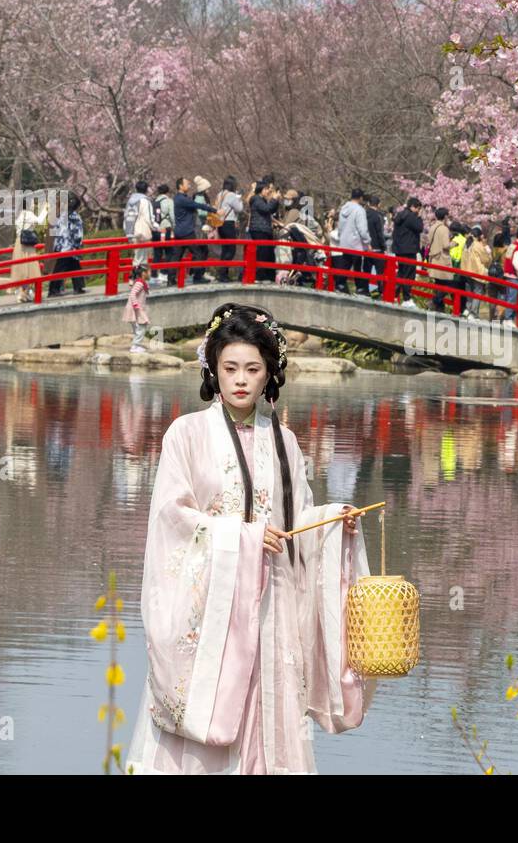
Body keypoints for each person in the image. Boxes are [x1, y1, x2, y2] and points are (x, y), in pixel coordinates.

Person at [125, 303, 372, 775]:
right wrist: (241, 540)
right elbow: (171, 523)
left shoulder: (285, 441)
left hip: (274, 611)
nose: (240, 380)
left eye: (253, 369)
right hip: (214, 613)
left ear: (269, 375)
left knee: (274, 722)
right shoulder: (186, 434)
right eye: (230, 368)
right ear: (212, 370)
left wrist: (332, 521)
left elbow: (296, 521)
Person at [173, 177, 216, 285]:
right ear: (180, 186)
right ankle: (197, 277)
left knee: (177, 256)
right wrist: (214, 210)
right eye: (187, 183)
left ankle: (170, 279)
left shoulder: (179, 198)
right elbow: (198, 205)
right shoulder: (182, 199)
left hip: (180, 231)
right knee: (198, 253)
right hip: (186, 231)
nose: (189, 185)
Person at [48, 194, 86, 297]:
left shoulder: (62, 215)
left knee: (74, 265)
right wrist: (78, 245)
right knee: (61, 268)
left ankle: (78, 287)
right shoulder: (75, 217)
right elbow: (77, 233)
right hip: (69, 246)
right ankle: (53, 290)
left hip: (60, 244)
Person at [336, 189, 371, 296]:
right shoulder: (359, 210)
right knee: (358, 266)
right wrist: (368, 241)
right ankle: (360, 288)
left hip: (344, 241)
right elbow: (362, 229)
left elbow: (340, 225)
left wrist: (340, 236)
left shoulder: (343, 208)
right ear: (361, 198)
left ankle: (340, 285)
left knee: (345, 264)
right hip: (356, 243)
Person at [390, 197, 425, 305]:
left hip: (399, 249)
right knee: (409, 274)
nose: (419, 211)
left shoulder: (400, 215)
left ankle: (394, 295)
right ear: (413, 207)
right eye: (418, 208)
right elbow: (420, 228)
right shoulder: (411, 217)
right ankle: (406, 298)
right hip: (409, 249)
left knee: (401, 272)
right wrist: (419, 217)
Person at [11, 198, 45, 303]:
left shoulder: (19, 215)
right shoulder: (29, 214)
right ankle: (27, 293)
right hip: (27, 245)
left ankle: (22, 293)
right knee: (30, 269)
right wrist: (45, 209)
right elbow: (40, 221)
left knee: (21, 269)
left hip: (18, 244)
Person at [247, 179, 279, 284]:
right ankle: (259, 276)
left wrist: (276, 201)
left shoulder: (262, 199)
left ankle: (268, 276)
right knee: (262, 253)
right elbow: (266, 209)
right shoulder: (256, 199)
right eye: (266, 189)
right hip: (259, 229)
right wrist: (274, 200)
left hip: (264, 229)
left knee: (268, 253)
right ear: (260, 190)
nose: (268, 191)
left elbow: (271, 210)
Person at [124, 181, 156, 272]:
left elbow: (126, 216)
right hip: (142, 232)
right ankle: (137, 279)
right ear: (146, 189)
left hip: (131, 231)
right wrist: (156, 228)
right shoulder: (145, 201)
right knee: (142, 258)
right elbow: (149, 218)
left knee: (137, 256)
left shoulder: (130, 201)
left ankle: (134, 279)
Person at [460, 225, 492, 319]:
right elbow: (486, 259)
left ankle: (467, 310)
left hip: (466, 271)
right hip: (477, 272)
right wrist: (487, 249)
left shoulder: (467, 244)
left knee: (469, 292)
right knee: (477, 293)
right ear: (479, 236)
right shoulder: (478, 245)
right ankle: (473, 314)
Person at [426, 207, 454, 312]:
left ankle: (439, 308)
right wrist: (454, 243)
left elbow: (429, 241)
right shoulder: (444, 228)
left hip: (434, 258)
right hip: (442, 259)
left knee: (438, 285)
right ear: (445, 216)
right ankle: (434, 301)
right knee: (448, 285)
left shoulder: (433, 227)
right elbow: (446, 245)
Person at [123, 264, 152, 353]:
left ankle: (136, 345)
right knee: (142, 326)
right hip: (135, 309)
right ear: (144, 273)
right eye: (149, 272)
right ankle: (135, 346)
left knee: (137, 328)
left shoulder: (140, 282)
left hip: (136, 309)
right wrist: (136, 305)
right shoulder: (139, 283)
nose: (151, 274)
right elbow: (132, 294)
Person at [152, 184, 174, 285]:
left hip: (156, 230)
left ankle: (153, 275)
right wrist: (175, 227)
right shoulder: (169, 201)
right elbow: (173, 216)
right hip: (166, 228)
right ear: (167, 192)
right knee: (168, 252)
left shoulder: (154, 201)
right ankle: (164, 274)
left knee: (157, 253)